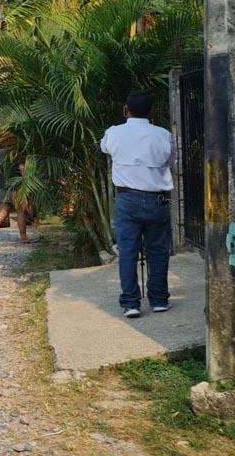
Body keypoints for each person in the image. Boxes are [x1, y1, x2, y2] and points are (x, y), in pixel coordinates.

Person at [99, 92, 174, 319]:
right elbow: (171, 161)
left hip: (127, 200)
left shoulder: (114, 133)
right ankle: (159, 300)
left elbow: (105, 148)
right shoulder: (163, 135)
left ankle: (131, 303)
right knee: (158, 251)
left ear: (126, 110)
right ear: (151, 112)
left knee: (128, 252)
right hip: (157, 200)